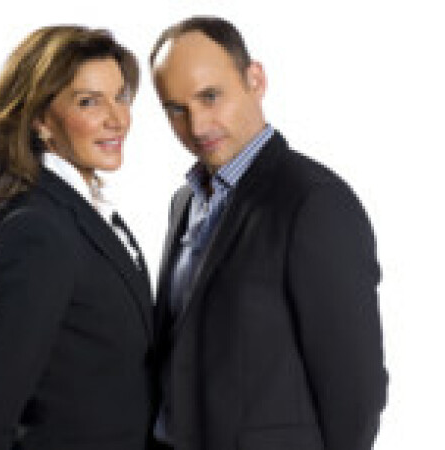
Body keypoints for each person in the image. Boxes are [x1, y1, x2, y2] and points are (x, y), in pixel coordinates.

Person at [148, 16, 387, 450]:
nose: (197, 126)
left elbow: (355, 390)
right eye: (176, 109)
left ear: (255, 80)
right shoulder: (184, 203)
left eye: (210, 96)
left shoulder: (314, 201)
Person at [0, 25, 155, 450]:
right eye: (88, 102)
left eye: (120, 97)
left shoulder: (91, 213)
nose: (117, 119)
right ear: (41, 120)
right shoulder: (38, 231)